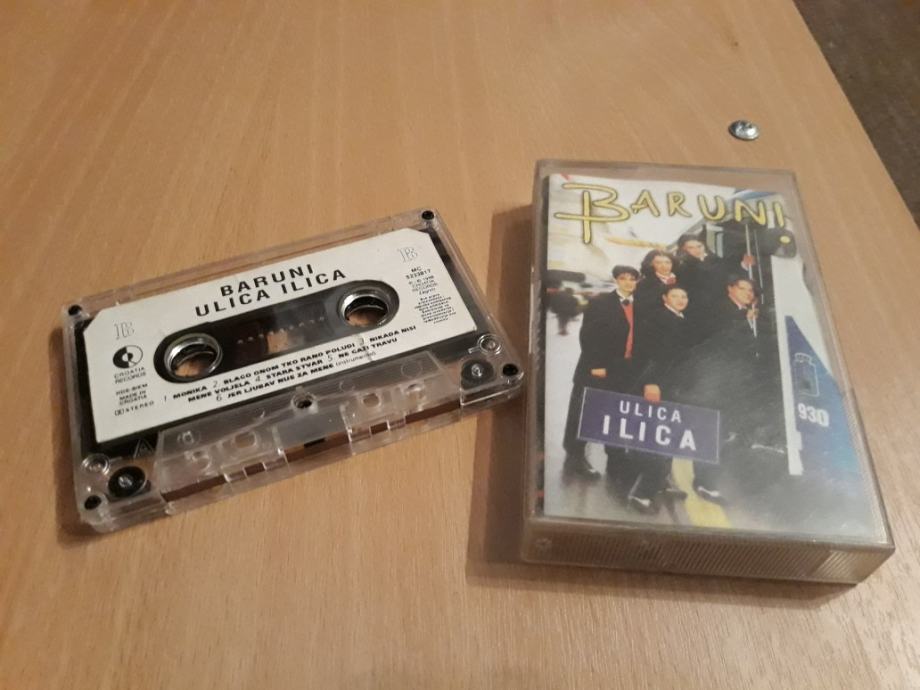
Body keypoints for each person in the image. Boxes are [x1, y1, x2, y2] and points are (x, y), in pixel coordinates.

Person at [562, 265, 649, 482]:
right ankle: (575, 456)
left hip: (624, 369)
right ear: (616, 280)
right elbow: (588, 336)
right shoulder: (600, 303)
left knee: (616, 413)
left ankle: (616, 461)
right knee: (584, 412)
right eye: (624, 278)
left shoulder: (641, 306)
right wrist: (596, 365)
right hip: (597, 368)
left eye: (632, 279)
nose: (628, 282)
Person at [682, 276, 761, 503]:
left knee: (719, 432)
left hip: (729, 385)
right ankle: (704, 483)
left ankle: (706, 480)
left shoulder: (743, 313)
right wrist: (743, 320)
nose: (747, 293)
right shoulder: (722, 311)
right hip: (715, 384)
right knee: (711, 431)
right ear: (730, 289)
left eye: (751, 291)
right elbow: (719, 342)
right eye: (742, 288)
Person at [626, 285, 695, 510]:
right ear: (665, 298)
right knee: (657, 436)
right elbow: (648, 353)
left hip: (672, 384)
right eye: (675, 295)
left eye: (684, 295)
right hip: (657, 384)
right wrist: (651, 383)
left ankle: (661, 482)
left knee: (668, 434)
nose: (681, 299)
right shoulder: (659, 319)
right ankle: (641, 493)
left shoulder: (679, 318)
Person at [634, 249, 678, 315]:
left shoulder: (681, 279)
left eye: (667, 262)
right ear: (651, 264)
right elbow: (644, 309)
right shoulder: (643, 284)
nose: (664, 266)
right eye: (658, 263)